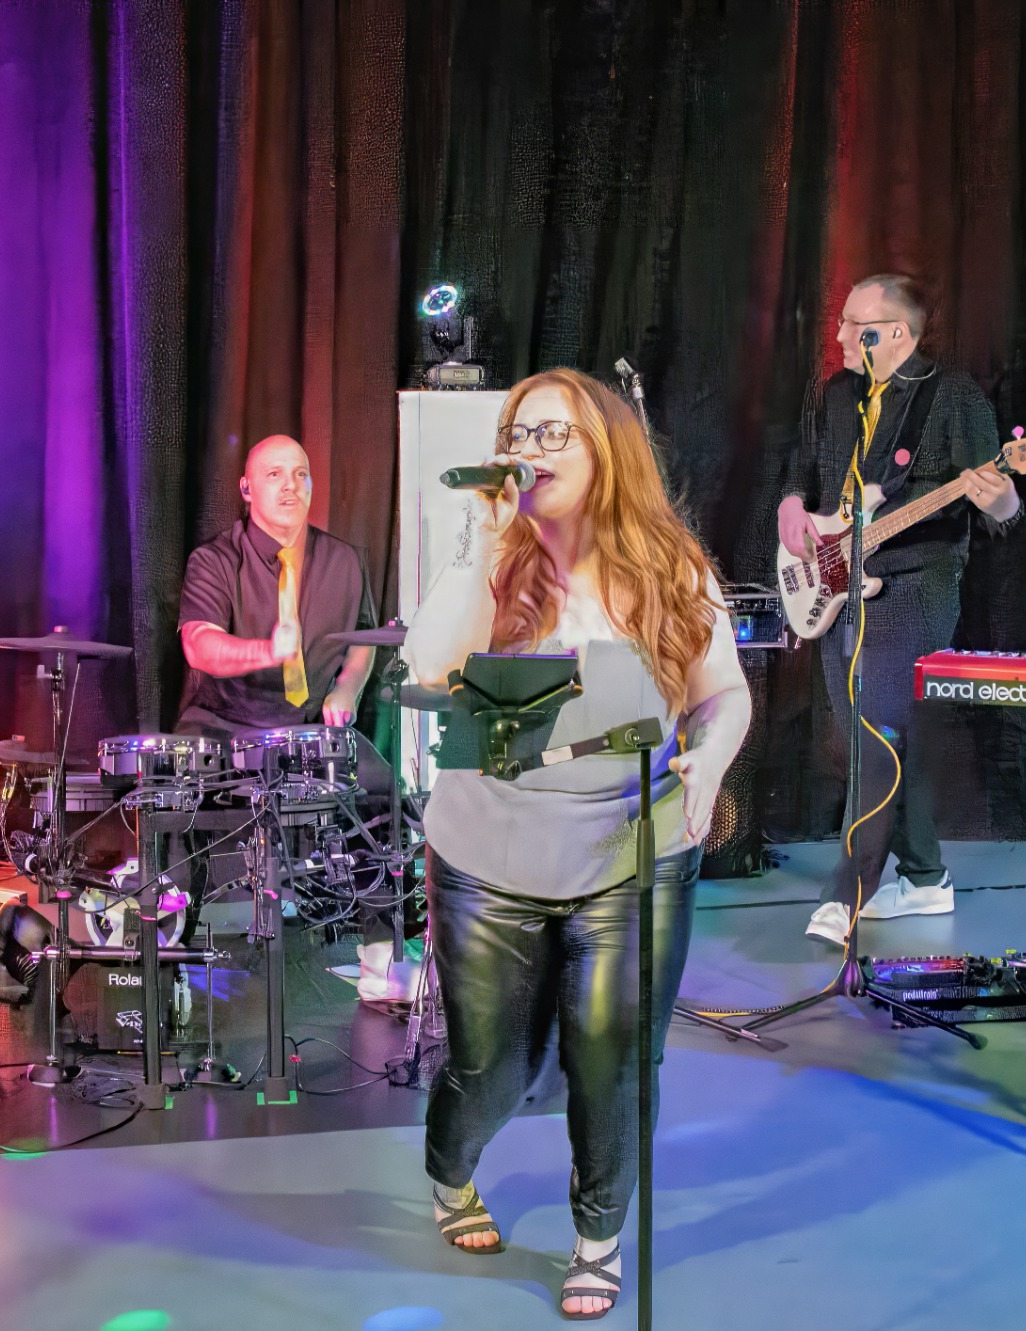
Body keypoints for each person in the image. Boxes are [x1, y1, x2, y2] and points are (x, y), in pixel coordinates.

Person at [403, 368, 750, 1319]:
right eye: (518, 433)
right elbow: (429, 663)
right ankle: (449, 1170)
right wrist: (483, 538)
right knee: (493, 1071)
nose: (529, 449)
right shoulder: (494, 559)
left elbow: (724, 692)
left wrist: (710, 761)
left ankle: (598, 1236)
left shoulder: (672, 565)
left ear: (607, 447)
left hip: (633, 851)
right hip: (490, 858)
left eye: (552, 433)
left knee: (614, 1060)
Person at [776, 274, 1020, 948]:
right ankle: (925, 876)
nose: (839, 335)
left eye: (855, 325)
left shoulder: (954, 397)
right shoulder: (838, 396)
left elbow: (998, 513)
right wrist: (792, 504)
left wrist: (1002, 497)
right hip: (838, 583)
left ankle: (847, 890)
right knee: (868, 737)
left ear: (897, 335)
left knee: (875, 734)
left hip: (916, 587)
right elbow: (803, 467)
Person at [176, 434, 380, 766]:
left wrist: (347, 689)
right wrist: (268, 652)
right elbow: (199, 646)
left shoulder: (345, 560)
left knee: (386, 789)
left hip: (311, 737)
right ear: (246, 488)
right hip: (224, 735)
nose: (291, 486)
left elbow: (364, 637)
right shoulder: (214, 560)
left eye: (301, 474)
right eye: (275, 474)